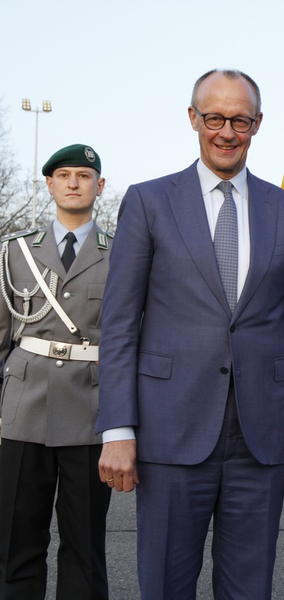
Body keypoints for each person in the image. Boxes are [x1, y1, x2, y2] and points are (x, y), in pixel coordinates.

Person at [94, 69, 284, 599]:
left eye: (239, 120)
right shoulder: (149, 202)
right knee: (165, 586)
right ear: (194, 119)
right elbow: (121, 326)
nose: (226, 132)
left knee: (249, 589)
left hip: (260, 437)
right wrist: (117, 429)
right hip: (168, 431)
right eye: (215, 118)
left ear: (257, 124)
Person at [0, 144, 112, 599]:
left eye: (83, 176)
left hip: (92, 411)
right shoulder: (15, 251)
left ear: (99, 187)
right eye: (63, 175)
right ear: (48, 185)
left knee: (85, 548)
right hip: (23, 409)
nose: (72, 182)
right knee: (15, 542)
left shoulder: (123, 251)